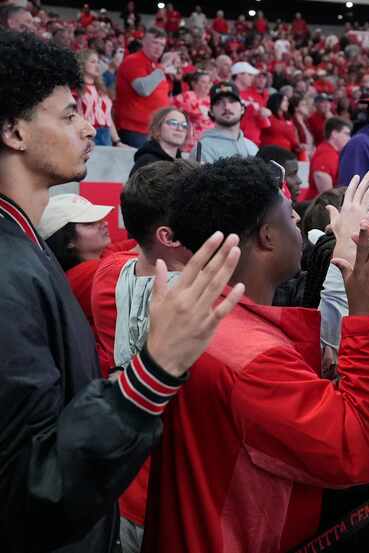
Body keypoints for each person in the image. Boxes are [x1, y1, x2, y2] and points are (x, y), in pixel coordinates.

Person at [141, 158, 369, 552]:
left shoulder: (214, 320)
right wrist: (366, 318)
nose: (298, 222)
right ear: (267, 237)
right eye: (287, 214)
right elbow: (360, 446)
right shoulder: (249, 356)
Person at [0, 30, 244, 552]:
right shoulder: (8, 269)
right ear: (13, 132)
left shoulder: (24, 244)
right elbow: (31, 489)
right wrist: (155, 367)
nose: (89, 127)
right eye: (68, 116)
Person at [91, 159, 197, 553]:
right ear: (169, 235)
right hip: (169, 491)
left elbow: (136, 250)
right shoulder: (201, 298)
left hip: (122, 480)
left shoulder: (107, 275)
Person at [36, 193, 112, 324]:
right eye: (90, 223)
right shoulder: (89, 273)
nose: (104, 223)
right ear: (68, 240)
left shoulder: (95, 261)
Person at [114, 27, 173, 148]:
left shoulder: (155, 65)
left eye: (162, 45)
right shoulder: (133, 60)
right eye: (155, 42)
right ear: (144, 42)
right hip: (134, 130)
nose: (159, 48)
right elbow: (144, 89)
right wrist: (163, 66)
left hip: (154, 130)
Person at [194, 81, 258, 163]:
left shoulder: (252, 147)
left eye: (232, 101)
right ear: (211, 111)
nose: (227, 107)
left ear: (242, 108)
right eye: (219, 103)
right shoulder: (202, 149)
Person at [77, 49, 124, 147]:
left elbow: (108, 118)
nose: (97, 65)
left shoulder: (101, 89)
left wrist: (117, 140)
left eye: (98, 62)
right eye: (93, 62)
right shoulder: (77, 89)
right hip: (87, 135)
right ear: (82, 65)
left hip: (106, 135)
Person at [300, 116, 351, 202]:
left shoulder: (332, 152)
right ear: (334, 134)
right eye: (346, 134)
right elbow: (326, 192)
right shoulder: (326, 154)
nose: (349, 138)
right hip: (317, 208)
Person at [130, 107, 189, 175]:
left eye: (184, 125)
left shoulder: (183, 166)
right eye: (173, 123)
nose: (180, 129)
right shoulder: (147, 162)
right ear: (157, 128)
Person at [232, 61, 271, 146]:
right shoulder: (229, 93)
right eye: (249, 75)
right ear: (239, 75)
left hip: (254, 142)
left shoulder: (256, 96)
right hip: (234, 141)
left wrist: (263, 114)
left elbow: (264, 125)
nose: (252, 78)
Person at [173, 70, 213, 151]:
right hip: (187, 145)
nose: (207, 85)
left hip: (208, 145)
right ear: (194, 84)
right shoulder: (184, 97)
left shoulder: (213, 101)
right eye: (203, 82)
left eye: (209, 82)